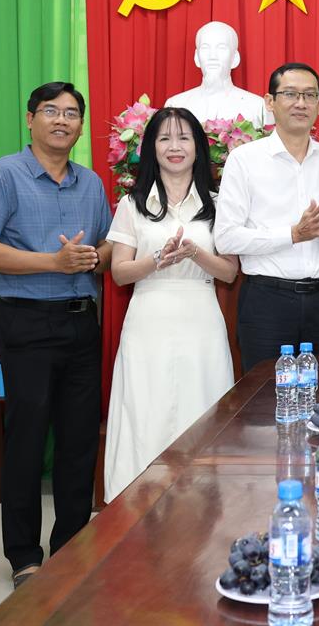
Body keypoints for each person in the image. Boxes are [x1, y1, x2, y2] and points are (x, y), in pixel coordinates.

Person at [0, 82, 113, 588]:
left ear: (81, 126)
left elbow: (106, 249)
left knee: (78, 441)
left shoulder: (91, 183)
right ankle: (24, 557)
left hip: (81, 322)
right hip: (26, 323)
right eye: (51, 111)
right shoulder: (1, 175)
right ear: (30, 119)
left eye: (72, 113)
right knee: (26, 440)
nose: (61, 120)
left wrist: (97, 256)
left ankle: (71, 548)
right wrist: (53, 261)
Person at [103, 108, 238, 502]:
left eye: (184, 138)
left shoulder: (218, 204)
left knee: (202, 406)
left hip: (201, 318)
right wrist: (157, 259)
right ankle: (136, 505)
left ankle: (203, 506)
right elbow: (119, 273)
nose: (174, 147)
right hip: (149, 318)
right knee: (147, 409)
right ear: (151, 147)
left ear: (198, 147)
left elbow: (229, 272)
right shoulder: (132, 204)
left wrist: (195, 252)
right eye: (164, 138)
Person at [214, 63, 319, 371]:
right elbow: (225, 238)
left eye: (310, 95)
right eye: (290, 94)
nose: (301, 103)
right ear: (270, 101)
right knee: (266, 394)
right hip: (267, 302)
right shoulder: (244, 160)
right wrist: (293, 234)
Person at [165, 21, 270, 126]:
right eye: (205, 48)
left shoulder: (257, 107)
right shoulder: (176, 105)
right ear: (196, 57)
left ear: (235, 58)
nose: (212, 56)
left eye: (221, 48)